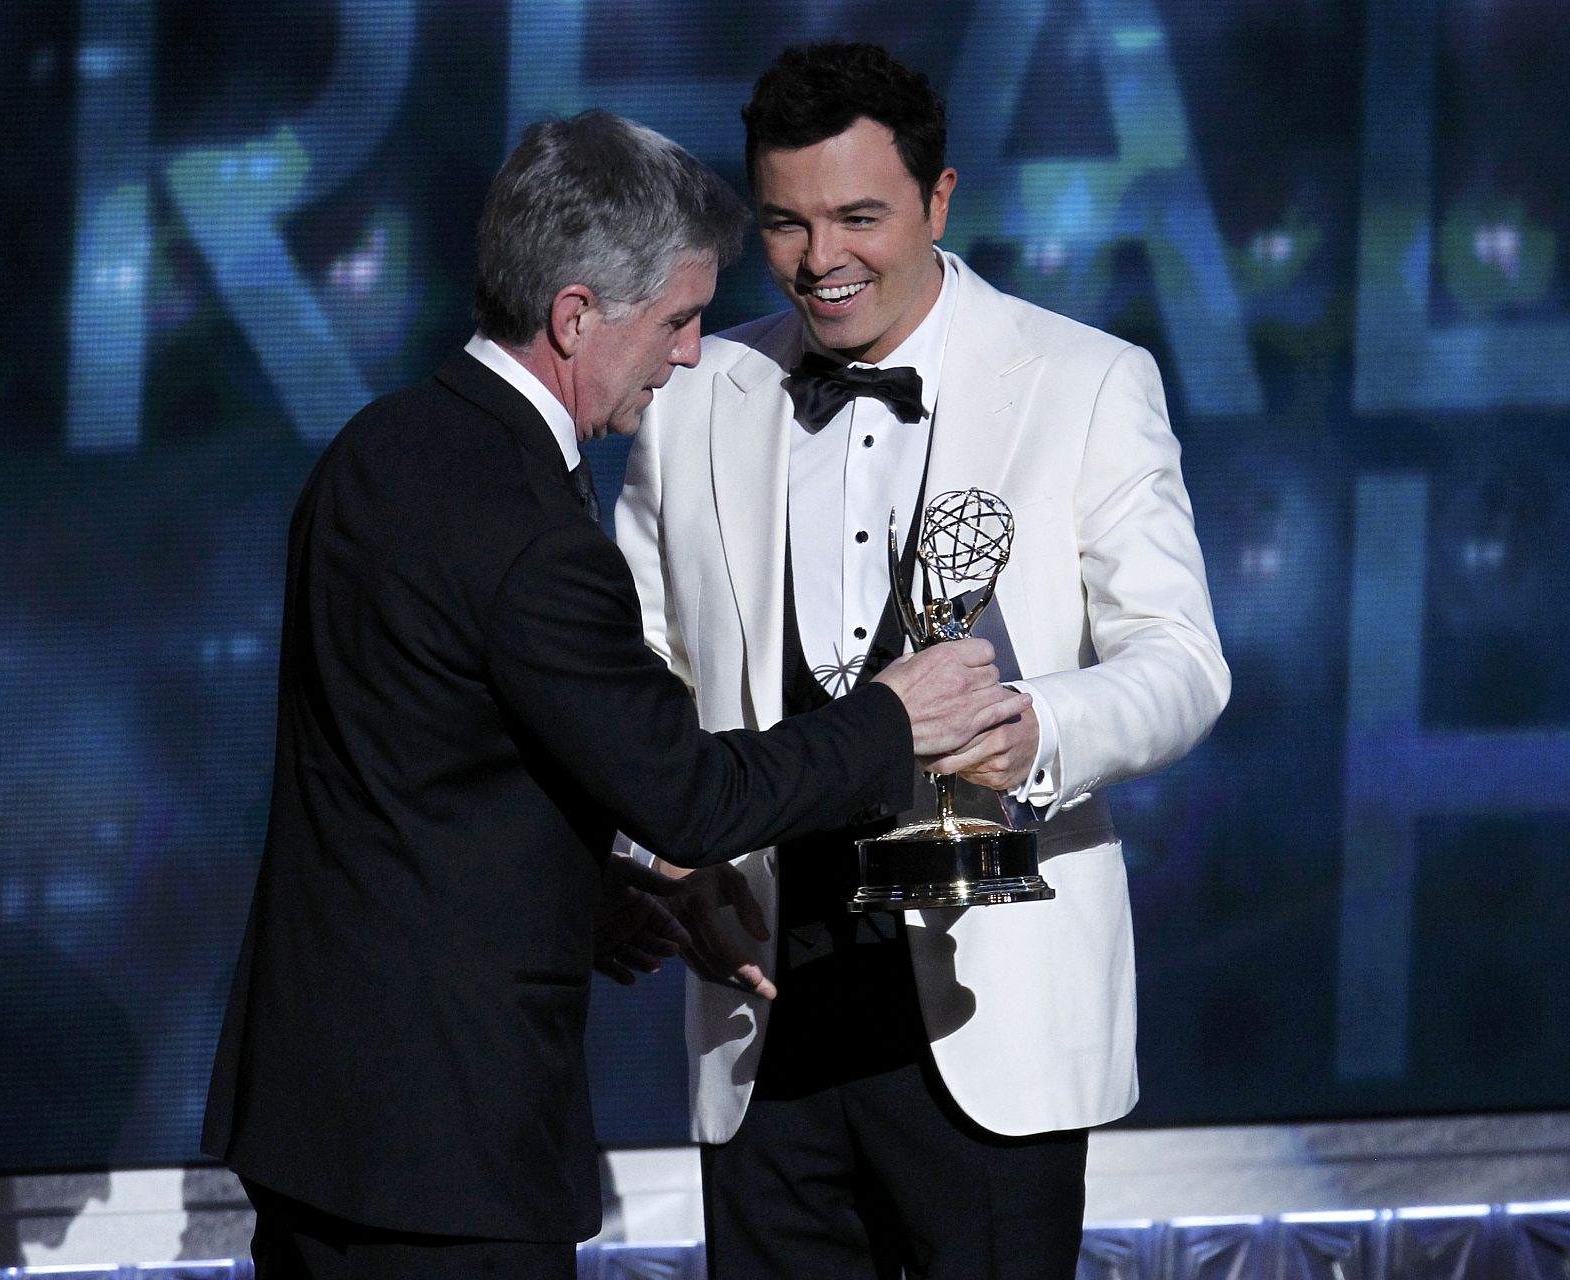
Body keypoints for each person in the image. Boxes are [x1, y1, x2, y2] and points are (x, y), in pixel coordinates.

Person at [201, 110, 1028, 1280]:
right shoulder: (534, 531)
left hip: (315, 1115)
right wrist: (896, 715)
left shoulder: (376, 450)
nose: (689, 354)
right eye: (679, 318)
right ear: (577, 314)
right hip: (446, 1148)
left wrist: (588, 888)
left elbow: (413, 762)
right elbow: (690, 793)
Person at [616, 44, 1231, 1280]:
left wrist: (1035, 728)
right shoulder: (694, 393)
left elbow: (1179, 661)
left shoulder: (1085, 379)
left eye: (859, 215)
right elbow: (633, 664)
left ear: (939, 199)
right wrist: (652, 850)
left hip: (990, 1016)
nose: (819, 257)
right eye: (785, 222)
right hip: (763, 1009)